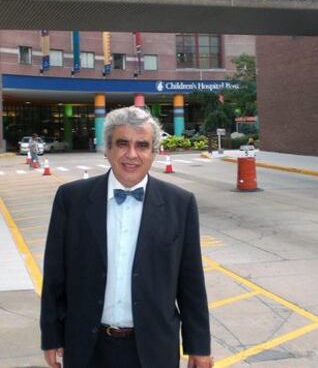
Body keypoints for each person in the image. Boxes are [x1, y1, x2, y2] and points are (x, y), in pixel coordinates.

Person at [40, 106, 213, 368]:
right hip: (87, 347)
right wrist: (51, 336)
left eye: (142, 145)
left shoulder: (181, 204)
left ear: (154, 153)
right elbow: (55, 275)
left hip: (154, 349)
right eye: (122, 144)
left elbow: (191, 283)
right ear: (107, 149)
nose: (131, 155)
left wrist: (199, 346)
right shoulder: (71, 198)